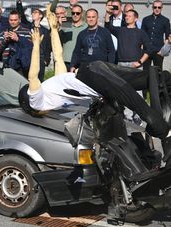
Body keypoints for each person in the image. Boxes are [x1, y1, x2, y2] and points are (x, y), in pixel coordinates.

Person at [19, 5, 170, 142]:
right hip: (96, 70)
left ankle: (162, 129)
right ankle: (165, 81)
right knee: (146, 79)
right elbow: (58, 56)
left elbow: (33, 76)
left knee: (132, 100)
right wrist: (53, 30)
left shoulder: (36, 102)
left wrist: (37, 45)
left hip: (93, 78)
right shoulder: (53, 86)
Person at [0, 10, 32, 78]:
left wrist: (18, 39)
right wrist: (5, 40)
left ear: (19, 20)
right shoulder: (4, 32)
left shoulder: (26, 31)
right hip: (6, 65)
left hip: (20, 65)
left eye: (15, 20)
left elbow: (30, 46)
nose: (13, 22)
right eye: (11, 20)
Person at [142, 0, 171, 71]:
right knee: (145, 72)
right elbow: (142, 34)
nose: (157, 9)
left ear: (162, 8)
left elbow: (168, 37)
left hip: (158, 51)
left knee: (158, 73)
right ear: (152, 7)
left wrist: (163, 51)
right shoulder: (146, 19)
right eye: (155, 7)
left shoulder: (165, 20)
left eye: (159, 7)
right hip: (146, 51)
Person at [59, 4, 87, 70]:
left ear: (82, 13)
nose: (75, 15)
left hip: (79, 61)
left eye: (77, 13)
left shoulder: (86, 26)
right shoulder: (66, 24)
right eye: (73, 13)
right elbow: (57, 37)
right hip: (65, 60)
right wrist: (59, 25)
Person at [31, 8, 51, 81]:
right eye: (32, 12)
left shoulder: (45, 31)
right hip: (30, 58)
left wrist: (46, 60)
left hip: (41, 59)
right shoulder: (28, 27)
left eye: (35, 12)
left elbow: (48, 46)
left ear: (40, 15)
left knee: (39, 80)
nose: (33, 13)